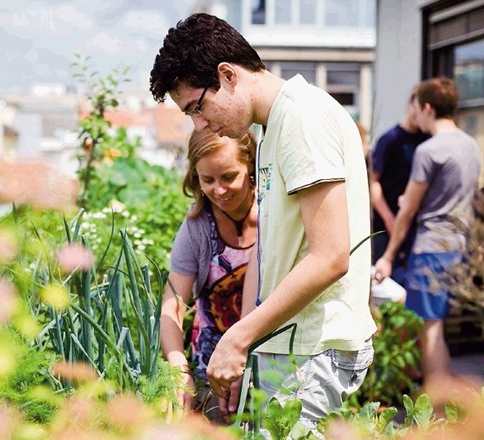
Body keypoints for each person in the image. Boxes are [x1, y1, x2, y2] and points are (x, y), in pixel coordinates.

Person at [150, 13, 376, 433]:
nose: (199, 124)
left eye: (197, 107)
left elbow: (331, 256)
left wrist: (236, 338)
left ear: (227, 75)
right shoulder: (273, 129)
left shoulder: (302, 119)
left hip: (313, 347)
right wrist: (248, 345)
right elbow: (268, 254)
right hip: (285, 346)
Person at [373, 77, 480, 389]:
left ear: (428, 108)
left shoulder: (429, 150)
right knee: (436, 325)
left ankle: (436, 410)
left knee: (429, 329)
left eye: (417, 108)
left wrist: (389, 256)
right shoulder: (470, 144)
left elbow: (408, 210)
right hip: (459, 245)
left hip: (431, 246)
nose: (414, 115)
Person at [161, 128, 258, 424]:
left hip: (269, 366)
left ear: (251, 167)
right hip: (213, 369)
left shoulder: (274, 215)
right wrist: (178, 366)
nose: (219, 190)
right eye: (208, 180)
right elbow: (173, 304)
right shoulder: (197, 227)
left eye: (229, 177)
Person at [370, 89, 430, 286]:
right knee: (387, 284)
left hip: (414, 225)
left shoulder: (427, 140)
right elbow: (373, 183)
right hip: (387, 226)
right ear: (410, 105)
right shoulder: (390, 139)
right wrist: (389, 218)